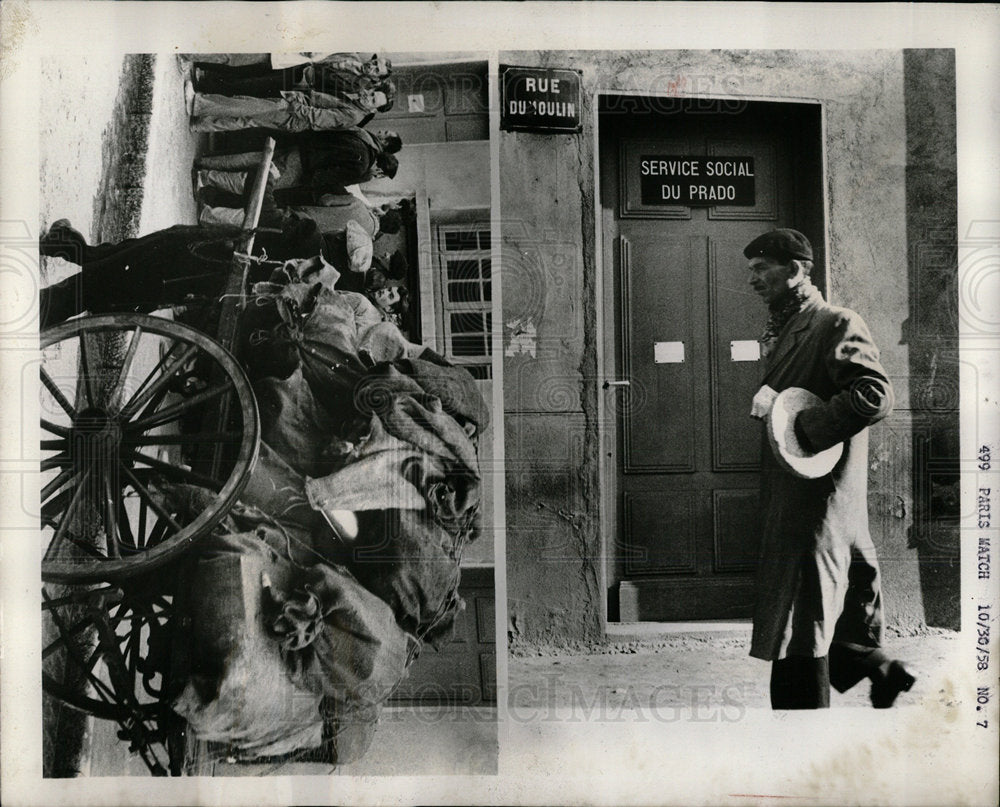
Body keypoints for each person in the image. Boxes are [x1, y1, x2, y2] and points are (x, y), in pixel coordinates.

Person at [744, 228, 916, 710]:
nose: (754, 280)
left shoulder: (835, 322)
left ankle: (802, 746)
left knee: (802, 629)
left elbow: (874, 395)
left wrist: (804, 427)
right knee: (822, 617)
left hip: (816, 503)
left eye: (763, 269)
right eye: (751, 271)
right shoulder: (791, 327)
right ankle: (884, 669)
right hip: (802, 500)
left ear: (797, 270)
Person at [38, 217, 334, 329]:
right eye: (305, 263)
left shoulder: (269, 270)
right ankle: (63, 247)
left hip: (166, 269)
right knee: (102, 274)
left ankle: (63, 243)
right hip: (170, 258)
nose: (299, 267)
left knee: (101, 275)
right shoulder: (269, 252)